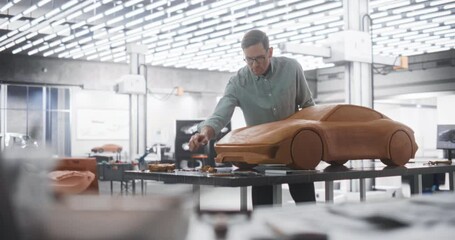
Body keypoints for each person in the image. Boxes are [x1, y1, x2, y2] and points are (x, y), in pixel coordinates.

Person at [188, 29, 316, 207]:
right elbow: (220, 115)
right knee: (262, 214)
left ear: (269, 52)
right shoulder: (238, 82)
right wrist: (205, 133)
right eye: (249, 59)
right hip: (261, 158)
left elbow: (308, 105)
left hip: (295, 153)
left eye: (259, 58)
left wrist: (312, 141)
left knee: (307, 208)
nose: (254, 65)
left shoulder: (292, 68)